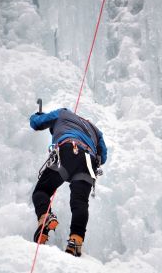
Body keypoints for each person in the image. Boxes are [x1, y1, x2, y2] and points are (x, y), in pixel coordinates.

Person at [30, 107, 108, 257]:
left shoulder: (63, 113)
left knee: (42, 191)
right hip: (88, 162)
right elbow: (103, 157)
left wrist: (39, 115)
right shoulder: (96, 130)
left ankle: (45, 217)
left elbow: (37, 123)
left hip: (67, 151)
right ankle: (76, 240)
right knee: (80, 202)